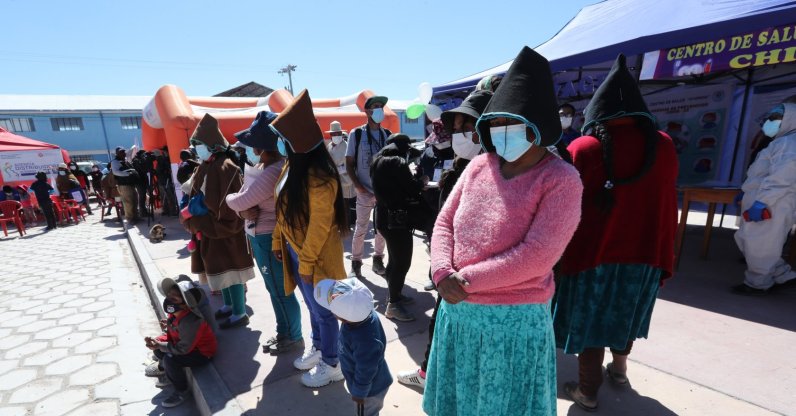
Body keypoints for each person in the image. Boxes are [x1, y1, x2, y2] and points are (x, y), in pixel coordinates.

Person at [424, 46, 583, 416]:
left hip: (511, 324)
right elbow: (445, 222)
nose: (499, 131)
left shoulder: (560, 179)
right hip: (458, 314)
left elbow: (538, 255)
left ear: (536, 126)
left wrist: (463, 281)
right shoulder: (480, 165)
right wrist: (441, 270)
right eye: (494, 123)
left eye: (509, 123)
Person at [552, 54, 679, 412]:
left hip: (593, 256)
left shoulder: (582, 148)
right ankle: (619, 372)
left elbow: (564, 208)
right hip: (645, 255)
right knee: (626, 314)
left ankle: (588, 391)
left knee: (591, 323)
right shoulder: (665, 145)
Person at [396, 89, 492, 389]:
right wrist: (441, 268)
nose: (460, 134)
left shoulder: (501, 172)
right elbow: (443, 225)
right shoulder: (460, 167)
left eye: (469, 128)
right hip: (450, 273)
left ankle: (436, 377)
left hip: (479, 279)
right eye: (458, 128)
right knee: (441, 325)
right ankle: (427, 374)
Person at [269, 90, 348, 388]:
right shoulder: (292, 166)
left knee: (324, 311)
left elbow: (319, 227)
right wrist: (279, 242)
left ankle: (332, 363)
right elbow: (281, 210)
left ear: (298, 142)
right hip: (295, 249)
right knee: (313, 307)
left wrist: (306, 261)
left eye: (284, 139)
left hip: (314, 255)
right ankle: (319, 347)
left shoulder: (321, 177)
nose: (280, 145)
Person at [225, 111, 303, 354]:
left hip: (269, 238)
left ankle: (293, 336)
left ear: (261, 146)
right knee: (275, 290)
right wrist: (242, 210)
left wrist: (233, 202)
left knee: (281, 291)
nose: (248, 149)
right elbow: (244, 205)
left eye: (251, 145)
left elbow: (240, 200)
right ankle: (284, 332)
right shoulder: (265, 166)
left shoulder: (272, 171)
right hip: (261, 235)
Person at [182, 113, 255, 329]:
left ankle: (240, 312)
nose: (197, 149)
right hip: (209, 227)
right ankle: (229, 305)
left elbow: (229, 202)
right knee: (218, 268)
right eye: (194, 145)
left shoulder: (227, 166)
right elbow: (193, 189)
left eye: (199, 144)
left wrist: (201, 212)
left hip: (225, 227)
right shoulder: (205, 165)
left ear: (212, 145)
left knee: (232, 271)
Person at [733, 101, 796, 295]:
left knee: (760, 244)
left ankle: (757, 284)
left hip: (773, 201)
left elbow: (783, 177)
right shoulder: (782, 141)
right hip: (764, 198)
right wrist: (747, 191)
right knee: (749, 240)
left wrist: (763, 202)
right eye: (771, 118)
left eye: (776, 119)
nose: (770, 122)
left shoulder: (790, 143)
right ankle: (783, 275)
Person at [370, 134, 428, 322]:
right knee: (402, 262)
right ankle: (393, 304)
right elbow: (411, 188)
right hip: (397, 220)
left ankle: (393, 295)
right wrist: (422, 181)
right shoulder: (397, 162)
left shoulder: (377, 161)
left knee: (394, 260)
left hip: (382, 218)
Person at [314, 278, 392, 416]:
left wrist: (359, 393)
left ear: (342, 317)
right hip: (369, 382)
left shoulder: (365, 340)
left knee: (367, 413)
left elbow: (366, 369)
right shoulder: (363, 313)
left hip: (370, 391)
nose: (332, 298)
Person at [145, 277, 217, 408]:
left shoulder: (192, 321)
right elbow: (175, 333)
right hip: (185, 345)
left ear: (185, 305)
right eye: (169, 296)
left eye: (175, 298)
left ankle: (181, 390)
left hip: (200, 353)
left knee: (170, 359)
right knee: (158, 345)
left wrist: (160, 345)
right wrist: (162, 336)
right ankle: (165, 370)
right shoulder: (176, 314)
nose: (169, 299)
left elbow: (183, 349)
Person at [345, 95, 392, 278]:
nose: (379, 109)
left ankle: (378, 260)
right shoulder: (356, 134)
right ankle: (356, 262)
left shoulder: (387, 135)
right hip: (364, 190)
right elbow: (349, 163)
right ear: (367, 111)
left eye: (381, 106)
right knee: (361, 228)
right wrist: (358, 186)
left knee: (382, 228)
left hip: (383, 192)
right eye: (375, 106)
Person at [326, 121, 356, 225]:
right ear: (330, 135)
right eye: (334, 134)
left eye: (338, 133)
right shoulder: (329, 146)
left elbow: (350, 165)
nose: (336, 136)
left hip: (345, 180)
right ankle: (338, 223)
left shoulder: (347, 146)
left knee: (345, 204)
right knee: (335, 204)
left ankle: (346, 225)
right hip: (333, 180)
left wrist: (336, 170)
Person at [111, 147, 141, 223]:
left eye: (124, 152)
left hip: (131, 184)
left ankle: (136, 217)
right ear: (117, 153)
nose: (123, 153)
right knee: (128, 202)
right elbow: (115, 172)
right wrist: (128, 174)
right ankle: (130, 218)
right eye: (121, 152)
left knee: (135, 200)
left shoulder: (125, 160)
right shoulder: (115, 162)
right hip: (123, 185)